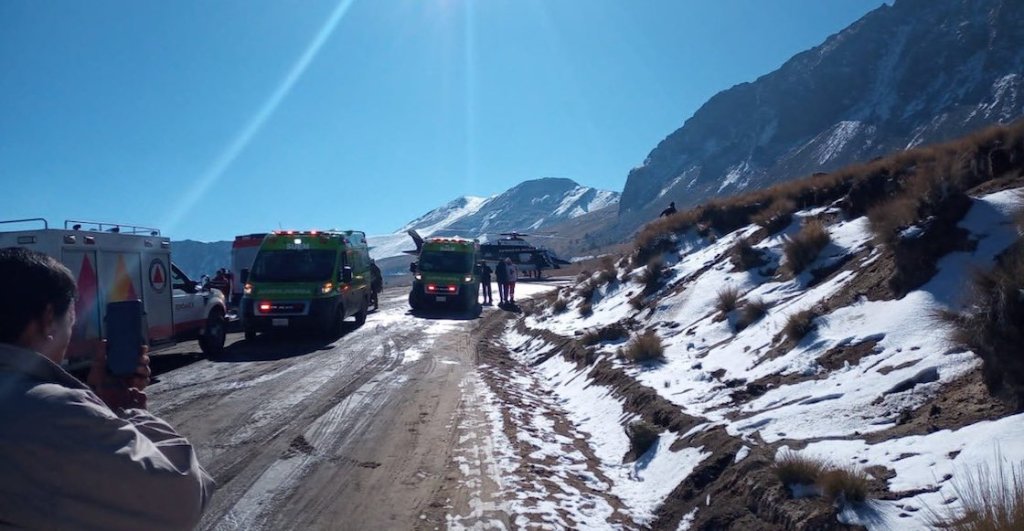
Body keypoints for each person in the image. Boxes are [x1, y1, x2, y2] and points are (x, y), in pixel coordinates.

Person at [0, 247, 214, 530]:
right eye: (71, 321)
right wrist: (131, 413)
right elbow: (181, 498)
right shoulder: (56, 412)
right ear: (48, 318)